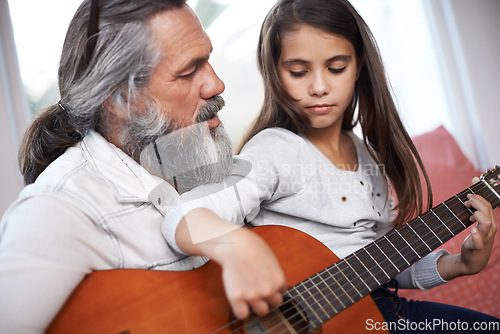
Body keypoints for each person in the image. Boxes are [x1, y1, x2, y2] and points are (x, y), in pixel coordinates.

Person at [162, 0, 499, 331]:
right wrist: (242, 250)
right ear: (274, 73)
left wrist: (459, 263)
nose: (319, 87)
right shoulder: (277, 150)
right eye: (298, 71)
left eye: (336, 68)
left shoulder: (367, 156)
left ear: (359, 66)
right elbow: (185, 217)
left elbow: (379, 263)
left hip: (379, 313)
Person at [0, 0, 287, 332]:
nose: (216, 84)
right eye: (189, 70)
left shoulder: (193, 163)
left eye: (207, 59)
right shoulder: (57, 211)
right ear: (118, 99)